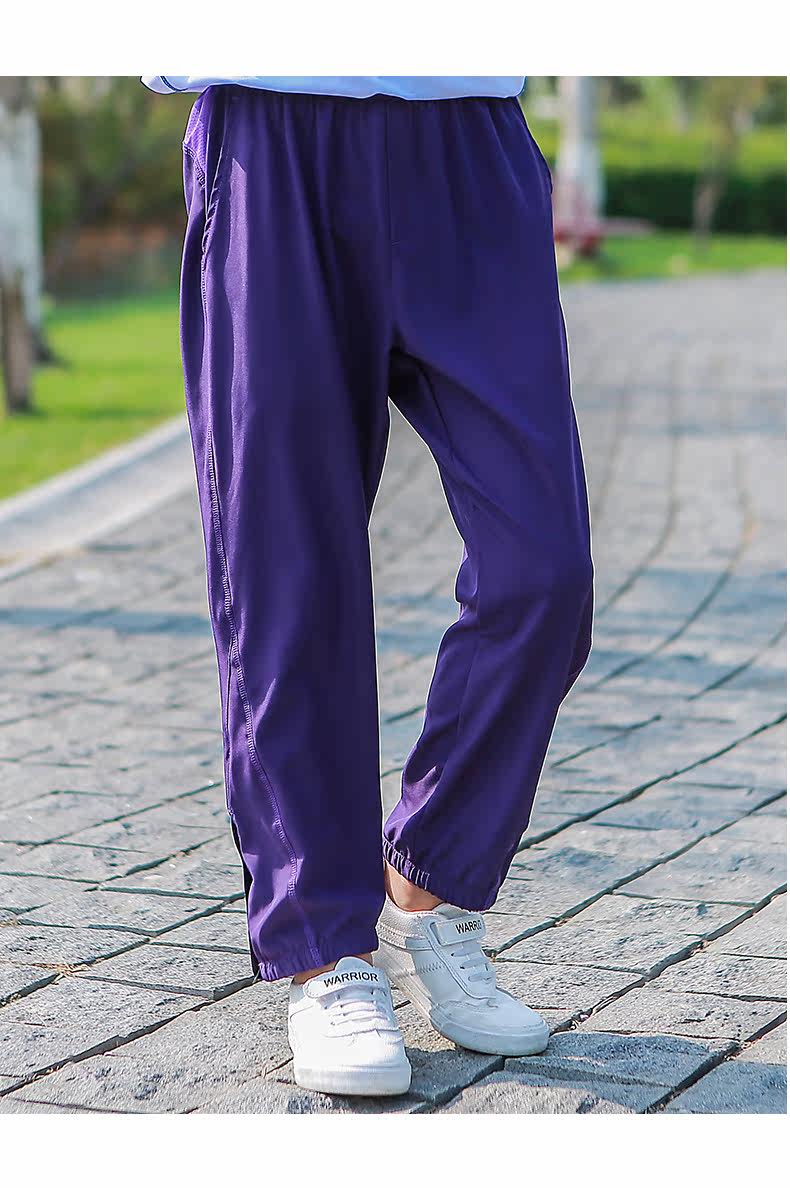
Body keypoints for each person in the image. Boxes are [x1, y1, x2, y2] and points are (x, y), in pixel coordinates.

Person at [143, 75, 594, 1097]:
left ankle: (427, 884)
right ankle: (326, 953)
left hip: (468, 143)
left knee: (545, 568)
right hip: (273, 141)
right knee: (289, 577)